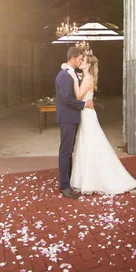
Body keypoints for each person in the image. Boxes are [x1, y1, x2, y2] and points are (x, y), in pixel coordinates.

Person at [64, 50, 136, 195]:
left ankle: (91, 179)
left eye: (84, 61)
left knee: (89, 143)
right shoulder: (86, 76)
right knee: (85, 143)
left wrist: (74, 79)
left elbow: (78, 95)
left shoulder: (87, 78)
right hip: (86, 113)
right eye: (81, 60)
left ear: (89, 66)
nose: (81, 62)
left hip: (87, 115)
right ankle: (86, 178)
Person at [55, 46, 94, 199]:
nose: (80, 61)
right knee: (65, 151)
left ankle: (69, 179)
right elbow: (67, 99)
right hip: (67, 118)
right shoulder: (65, 76)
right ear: (72, 58)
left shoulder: (70, 73)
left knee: (69, 150)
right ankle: (64, 185)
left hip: (71, 117)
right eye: (79, 59)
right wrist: (85, 105)